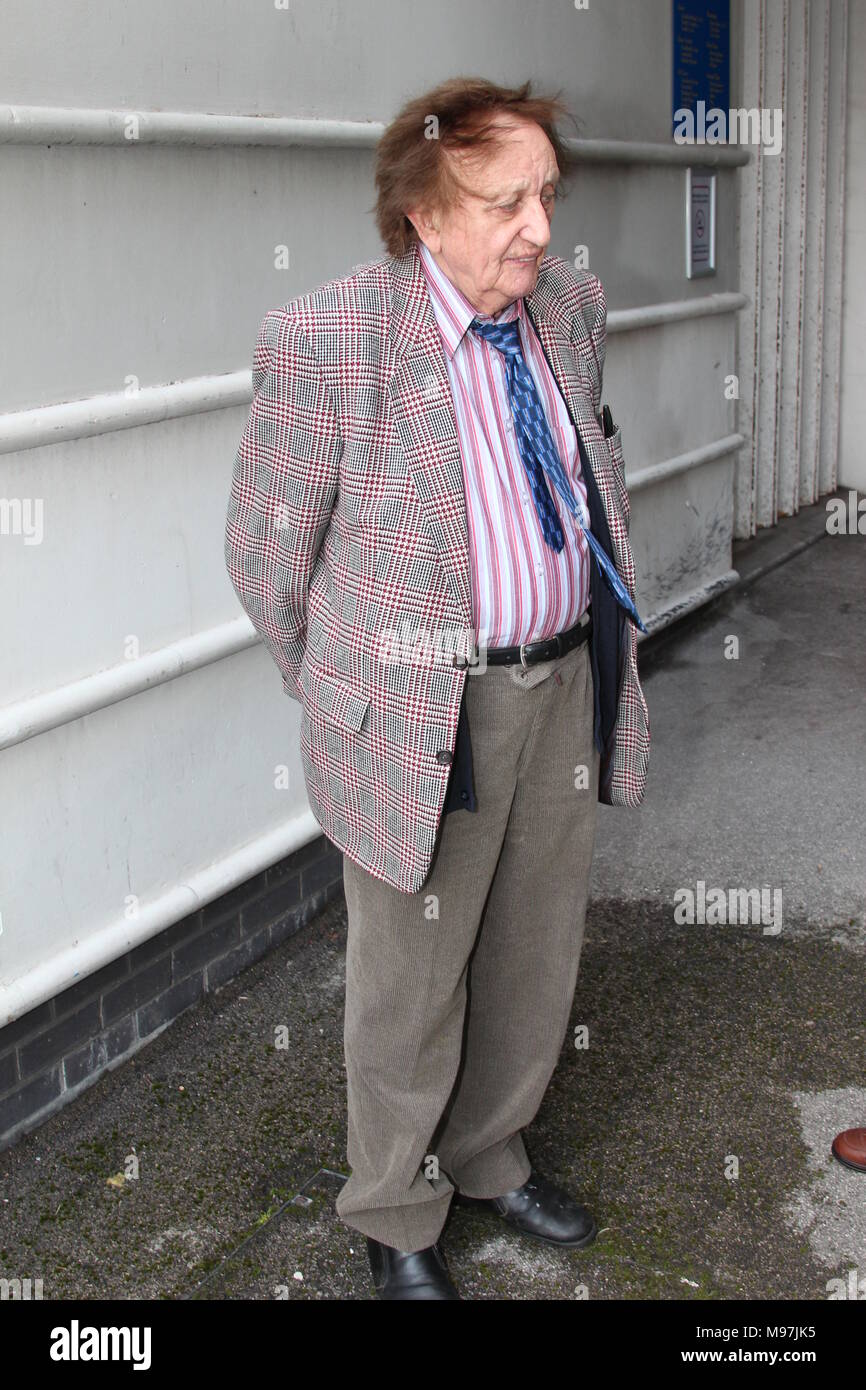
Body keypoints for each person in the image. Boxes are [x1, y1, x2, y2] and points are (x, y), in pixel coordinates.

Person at [224, 76, 650, 1300]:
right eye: (502, 201)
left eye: (544, 197)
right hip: (423, 706)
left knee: (531, 951)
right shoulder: (330, 338)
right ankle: (397, 1213)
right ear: (421, 211)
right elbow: (266, 553)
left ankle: (489, 1154)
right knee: (408, 979)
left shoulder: (565, 306)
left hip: (561, 680)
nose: (537, 229)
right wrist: (348, 693)